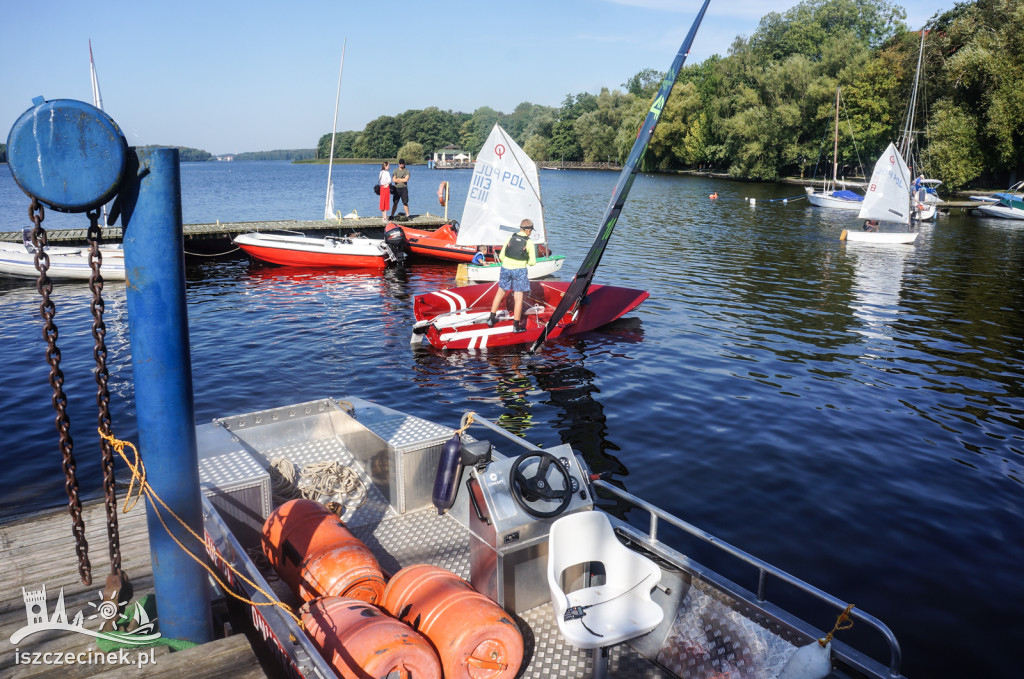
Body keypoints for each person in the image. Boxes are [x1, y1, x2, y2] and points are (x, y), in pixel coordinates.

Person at [487, 219, 537, 333]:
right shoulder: (528, 242)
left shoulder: (510, 238)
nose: (531, 233)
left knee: (500, 292)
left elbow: (501, 257)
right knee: (518, 297)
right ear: (528, 230)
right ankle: (515, 326)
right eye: (531, 231)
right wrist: (525, 261)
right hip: (519, 270)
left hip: (505, 268)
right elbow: (532, 262)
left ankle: (490, 319)